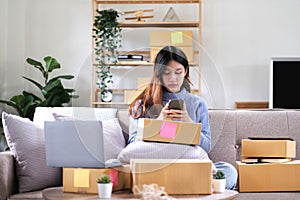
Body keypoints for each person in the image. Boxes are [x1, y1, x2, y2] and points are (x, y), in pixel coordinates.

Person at [128, 45, 237, 190]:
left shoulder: (198, 104)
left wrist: (189, 124)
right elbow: (132, 144)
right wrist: (157, 123)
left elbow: (206, 147)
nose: (173, 78)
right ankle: (196, 188)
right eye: (167, 73)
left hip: (190, 165)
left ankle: (178, 186)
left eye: (178, 72)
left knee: (228, 171)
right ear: (159, 75)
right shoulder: (142, 105)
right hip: (158, 165)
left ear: (185, 72)